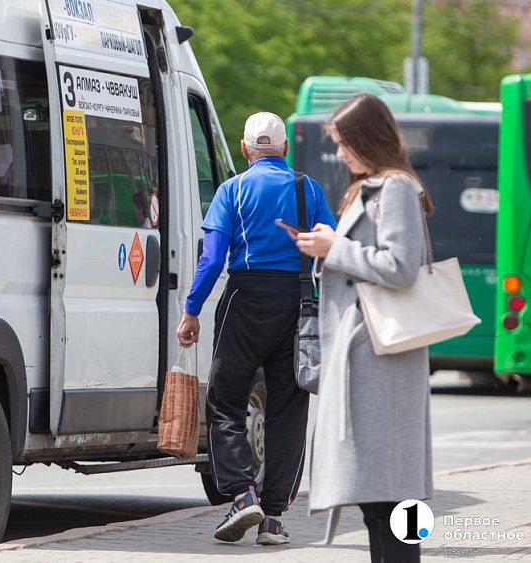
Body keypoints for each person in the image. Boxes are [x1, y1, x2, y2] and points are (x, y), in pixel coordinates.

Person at [177, 112, 335, 545]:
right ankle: (274, 519)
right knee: (288, 408)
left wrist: (191, 310)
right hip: (298, 302)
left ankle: (243, 495)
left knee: (226, 399)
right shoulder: (308, 189)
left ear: (245, 149)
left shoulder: (232, 190)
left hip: (245, 299)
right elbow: (332, 244)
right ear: (285, 149)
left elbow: (212, 259)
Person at [295, 93, 433, 563]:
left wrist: (334, 248)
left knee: (389, 501)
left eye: (343, 143)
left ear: (367, 138)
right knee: (376, 501)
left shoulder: (395, 188)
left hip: (381, 359)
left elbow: (401, 267)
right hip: (368, 358)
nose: (338, 154)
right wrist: (328, 247)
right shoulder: (370, 188)